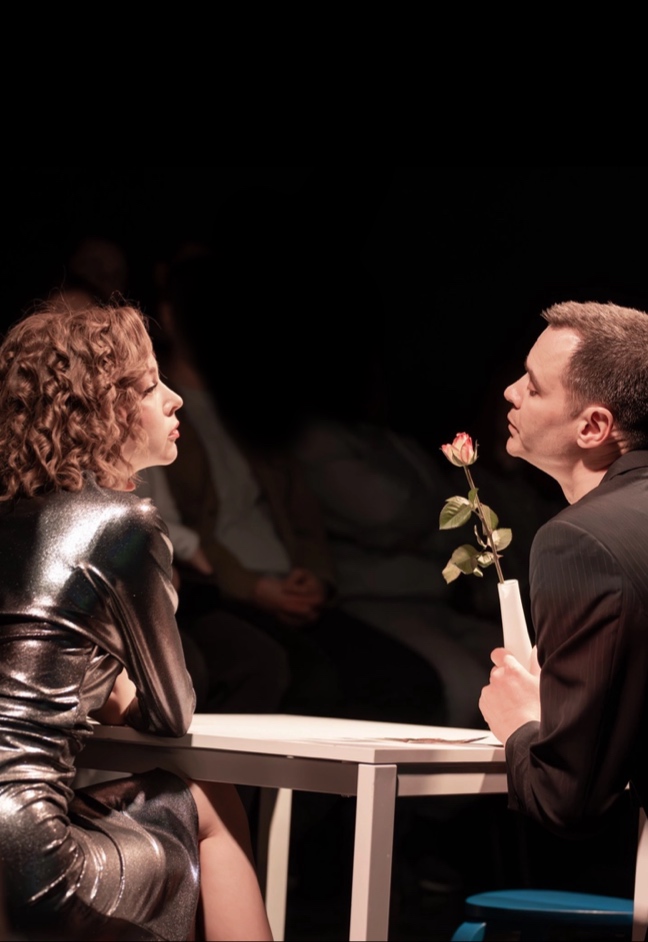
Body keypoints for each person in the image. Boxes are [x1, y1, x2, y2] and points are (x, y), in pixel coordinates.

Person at [0, 303, 272, 941]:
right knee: (210, 797)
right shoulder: (121, 524)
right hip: (27, 861)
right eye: (150, 386)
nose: (175, 399)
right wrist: (121, 689)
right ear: (102, 409)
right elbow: (171, 712)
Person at [479, 300, 648, 844]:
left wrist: (521, 721)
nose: (511, 392)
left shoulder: (581, 541)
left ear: (593, 426)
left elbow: (563, 798)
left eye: (533, 387)